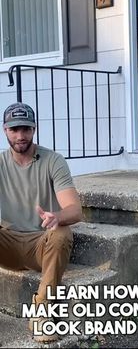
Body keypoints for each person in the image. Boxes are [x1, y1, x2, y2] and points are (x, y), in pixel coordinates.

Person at [0, 102, 83, 343]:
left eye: (26, 128)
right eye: (14, 129)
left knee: (62, 232)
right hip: (9, 243)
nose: (20, 135)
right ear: (5, 130)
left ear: (34, 129)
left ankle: (41, 313)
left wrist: (57, 216)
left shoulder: (53, 160)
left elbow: (75, 210)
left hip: (42, 244)